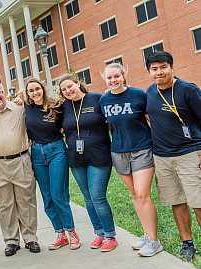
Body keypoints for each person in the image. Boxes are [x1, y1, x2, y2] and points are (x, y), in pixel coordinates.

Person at [99, 63, 161, 257]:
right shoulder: (104, 100)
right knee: (134, 193)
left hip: (141, 148)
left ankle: (154, 241)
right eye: (109, 78)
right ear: (105, 80)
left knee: (143, 194)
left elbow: (151, 118)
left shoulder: (138, 95)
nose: (113, 80)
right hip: (119, 151)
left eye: (117, 76)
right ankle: (146, 234)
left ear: (123, 76)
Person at [145, 51, 201, 261]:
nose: (159, 72)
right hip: (162, 157)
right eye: (154, 69)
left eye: (163, 67)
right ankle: (187, 242)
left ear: (171, 67)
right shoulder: (150, 92)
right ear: (149, 72)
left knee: (198, 201)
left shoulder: (188, 90)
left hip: (189, 153)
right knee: (177, 201)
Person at [0, 81, 40, 257]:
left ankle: (30, 238)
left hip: (21, 160)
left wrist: (23, 101)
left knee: (26, 200)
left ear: (4, 93)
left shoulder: (20, 109)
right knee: (5, 204)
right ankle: (11, 241)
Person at [59, 74, 118, 252]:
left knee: (98, 196)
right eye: (64, 89)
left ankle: (110, 235)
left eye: (70, 86)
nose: (68, 91)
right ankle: (99, 233)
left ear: (78, 84)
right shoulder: (64, 107)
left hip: (99, 154)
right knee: (87, 198)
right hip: (76, 158)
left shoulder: (97, 99)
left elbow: (112, 118)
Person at [23, 78, 80, 250]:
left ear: (43, 88)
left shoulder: (56, 105)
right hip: (37, 154)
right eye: (31, 91)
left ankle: (71, 232)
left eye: (37, 89)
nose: (35, 93)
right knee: (47, 197)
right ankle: (60, 233)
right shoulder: (25, 107)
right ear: (27, 94)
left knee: (58, 195)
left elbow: (71, 119)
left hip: (56, 150)